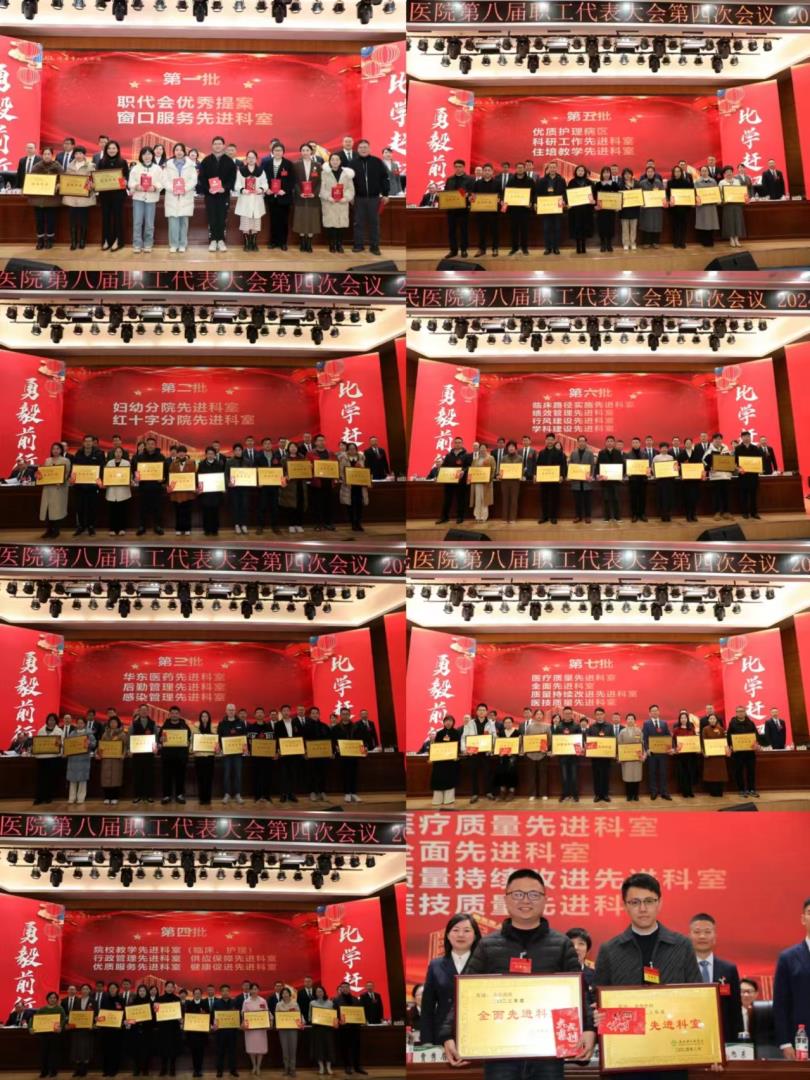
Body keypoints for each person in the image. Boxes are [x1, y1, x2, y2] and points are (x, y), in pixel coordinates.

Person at [441, 868, 595, 1073]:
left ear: (545, 899)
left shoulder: (562, 944)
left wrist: (589, 1029)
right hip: (499, 1050)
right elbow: (464, 994)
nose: (526, 900)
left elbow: (580, 991)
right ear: (506, 899)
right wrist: (448, 1034)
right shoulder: (487, 945)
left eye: (534, 894)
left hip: (548, 1052)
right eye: (518, 894)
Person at [594, 873, 701, 1080]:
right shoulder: (610, 949)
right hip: (625, 1055)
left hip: (671, 1052)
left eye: (649, 901)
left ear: (659, 903)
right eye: (635, 902)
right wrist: (598, 1013)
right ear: (624, 906)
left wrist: (707, 1044)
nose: (642, 908)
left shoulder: (681, 945)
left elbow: (697, 996)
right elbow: (597, 997)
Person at [420, 914, 481, 1047]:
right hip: (441, 1035)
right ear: (447, 935)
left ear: (475, 936)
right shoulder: (436, 965)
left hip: (476, 1032)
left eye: (467, 930)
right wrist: (427, 1040)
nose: (461, 935)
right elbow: (427, 1007)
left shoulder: (483, 964)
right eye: (455, 930)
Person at [688, 913, 743, 1042]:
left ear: (715, 937)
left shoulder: (728, 969)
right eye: (697, 932)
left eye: (707, 932)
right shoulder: (681, 968)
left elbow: (735, 1010)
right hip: (689, 1035)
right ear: (689, 936)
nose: (702, 936)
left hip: (722, 1036)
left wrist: (736, 1042)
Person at [773, 899, 810, 1058]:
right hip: (801, 1039)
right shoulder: (788, 957)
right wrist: (785, 1042)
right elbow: (780, 1003)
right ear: (803, 919)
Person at [197, 136, 237, 252]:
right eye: (215, 144)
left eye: (220, 144)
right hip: (210, 195)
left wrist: (225, 188)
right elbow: (202, 178)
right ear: (212, 146)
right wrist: (208, 188)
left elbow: (232, 178)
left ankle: (221, 240)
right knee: (212, 217)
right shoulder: (206, 160)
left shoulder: (229, 161)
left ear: (223, 146)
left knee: (222, 217)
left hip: (223, 195)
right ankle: (213, 240)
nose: (217, 146)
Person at [350, 140, 389, 257]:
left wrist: (385, 194)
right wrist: (350, 195)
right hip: (358, 198)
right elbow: (348, 182)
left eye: (365, 147)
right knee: (358, 223)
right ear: (357, 149)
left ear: (369, 148)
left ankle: (375, 246)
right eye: (361, 147)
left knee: (374, 223)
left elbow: (384, 178)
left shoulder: (377, 162)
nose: (363, 149)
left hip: (374, 198)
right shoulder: (352, 164)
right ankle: (358, 245)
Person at [128, 146, 164, 254]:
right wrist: (136, 186)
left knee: (149, 223)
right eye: (144, 154)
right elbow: (130, 182)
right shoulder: (136, 168)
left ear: (152, 155)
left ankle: (148, 243)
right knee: (137, 222)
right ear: (141, 156)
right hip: (138, 198)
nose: (147, 156)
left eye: (149, 154)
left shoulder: (157, 169)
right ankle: (137, 244)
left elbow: (161, 182)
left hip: (151, 199)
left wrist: (155, 187)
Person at [162, 142, 197, 253]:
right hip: (172, 196)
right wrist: (173, 189)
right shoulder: (168, 165)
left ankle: (182, 244)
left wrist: (184, 189)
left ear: (184, 152)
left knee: (183, 222)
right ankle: (173, 244)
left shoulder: (190, 165)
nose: (179, 152)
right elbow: (164, 180)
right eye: (176, 150)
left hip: (185, 196)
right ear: (174, 152)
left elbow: (193, 180)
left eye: (181, 150)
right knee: (173, 222)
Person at [95, 140, 129, 252]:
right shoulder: (101, 162)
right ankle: (106, 240)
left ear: (118, 149)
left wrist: (125, 181)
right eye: (109, 148)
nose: (111, 150)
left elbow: (126, 177)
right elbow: (97, 177)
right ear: (106, 150)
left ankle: (118, 241)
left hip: (118, 195)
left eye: (114, 148)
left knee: (118, 218)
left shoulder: (123, 162)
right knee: (106, 218)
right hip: (105, 195)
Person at [27, 148, 63, 250]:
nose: (47, 156)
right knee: (39, 220)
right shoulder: (36, 166)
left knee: (51, 220)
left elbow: (63, 179)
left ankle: (50, 240)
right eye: (45, 154)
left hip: (52, 199)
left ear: (52, 155)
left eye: (49, 154)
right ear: (42, 155)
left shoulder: (57, 166)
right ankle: (40, 240)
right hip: (38, 198)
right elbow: (31, 180)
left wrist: (59, 184)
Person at [261, 142, 294, 251]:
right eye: (276, 150)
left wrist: (285, 190)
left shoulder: (288, 164)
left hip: (284, 197)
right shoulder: (266, 164)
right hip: (271, 196)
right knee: (273, 220)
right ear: (272, 152)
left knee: (283, 221)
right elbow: (263, 178)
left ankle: (283, 242)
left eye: (280, 150)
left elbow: (292, 180)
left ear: (283, 152)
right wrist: (267, 189)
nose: (278, 152)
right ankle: (273, 242)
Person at [233, 150, 268, 252]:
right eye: (249, 157)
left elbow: (265, 184)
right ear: (246, 159)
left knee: (255, 222)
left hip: (257, 199)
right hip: (245, 199)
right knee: (245, 222)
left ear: (256, 159)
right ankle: (247, 243)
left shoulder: (261, 171)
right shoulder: (241, 171)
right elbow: (237, 185)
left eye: (253, 157)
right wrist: (243, 190)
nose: (251, 159)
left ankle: (254, 243)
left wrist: (260, 189)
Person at [62, 146, 96, 251]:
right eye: (76, 153)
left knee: (83, 221)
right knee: (72, 221)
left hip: (84, 198)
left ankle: (82, 241)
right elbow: (66, 180)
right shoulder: (69, 166)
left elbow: (93, 180)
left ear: (84, 154)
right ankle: (73, 241)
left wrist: (88, 186)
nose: (78, 155)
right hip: (72, 197)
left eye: (80, 153)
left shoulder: (91, 166)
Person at [320, 153, 354, 254]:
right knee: (331, 225)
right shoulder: (324, 173)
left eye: (337, 159)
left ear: (340, 161)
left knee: (341, 225)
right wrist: (328, 197)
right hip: (329, 203)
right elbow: (322, 188)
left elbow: (350, 189)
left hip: (342, 203)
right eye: (332, 159)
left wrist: (345, 198)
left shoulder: (347, 174)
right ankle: (332, 245)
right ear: (329, 161)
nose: (335, 161)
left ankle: (339, 244)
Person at [291, 143, 321, 254]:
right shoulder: (296, 165)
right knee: (301, 220)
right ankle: (302, 243)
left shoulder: (317, 165)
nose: (305, 152)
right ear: (301, 152)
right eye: (303, 150)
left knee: (312, 221)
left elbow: (320, 182)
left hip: (313, 198)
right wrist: (300, 192)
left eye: (307, 150)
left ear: (311, 151)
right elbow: (294, 181)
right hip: (300, 197)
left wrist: (315, 193)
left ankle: (309, 244)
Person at [37, 442, 71, 539]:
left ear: (61, 450)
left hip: (59, 489)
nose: (55, 450)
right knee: (48, 510)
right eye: (53, 449)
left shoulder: (65, 460)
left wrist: (61, 480)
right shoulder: (47, 460)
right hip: (48, 488)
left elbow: (67, 474)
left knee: (57, 510)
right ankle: (48, 530)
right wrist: (39, 475)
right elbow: (43, 473)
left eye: (57, 449)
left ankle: (56, 530)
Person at [434, 436, 472, 525]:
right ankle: (444, 517)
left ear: (462, 444)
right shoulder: (448, 455)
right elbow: (444, 467)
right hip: (449, 481)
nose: (457, 444)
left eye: (459, 442)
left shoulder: (466, 455)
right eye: (456, 442)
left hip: (461, 481)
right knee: (447, 499)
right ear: (453, 444)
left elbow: (469, 466)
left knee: (461, 499)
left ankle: (460, 517)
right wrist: (439, 472)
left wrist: (463, 471)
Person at [132, 436, 166, 536]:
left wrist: (163, 478)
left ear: (155, 446)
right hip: (144, 487)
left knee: (158, 508)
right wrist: (136, 477)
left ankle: (158, 526)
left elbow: (165, 471)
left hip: (157, 488)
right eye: (148, 444)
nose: (150, 446)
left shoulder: (161, 457)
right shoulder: (140, 457)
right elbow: (134, 470)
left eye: (152, 444)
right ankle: (142, 527)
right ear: (145, 446)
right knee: (142, 508)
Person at [727, 705, 761, 797]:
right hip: (737, 753)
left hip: (750, 752)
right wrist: (731, 746)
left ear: (745, 712)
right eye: (738, 711)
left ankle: (751, 789)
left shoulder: (751, 723)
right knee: (739, 771)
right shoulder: (732, 723)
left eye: (742, 711)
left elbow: (756, 735)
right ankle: (741, 789)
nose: (740, 713)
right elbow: (729, 736)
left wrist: (756, 743)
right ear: (736, 713)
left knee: (751, 771)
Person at [333, 983, 366, 1076]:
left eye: (346, 987)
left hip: (355, 1028)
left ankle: (357, 1066)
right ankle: (347, 1066)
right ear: (341, 989)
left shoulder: (355, 999)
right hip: (344, 1028)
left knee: (356, 1048)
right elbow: (334, 1014)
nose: (345, 989)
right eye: (343, 987)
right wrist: (338, 1021)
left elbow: (360, 1012)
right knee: (345, 1048)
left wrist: (361, 1019)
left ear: (349, 988)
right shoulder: (336, 1000)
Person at [159, 706, 191, 804]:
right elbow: (160, 738)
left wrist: (187, 741)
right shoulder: (165, 725)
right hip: (167, 756)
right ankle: (166, 796)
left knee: (180, 777)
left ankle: (179, 795)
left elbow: (188, 737)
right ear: (169, 714)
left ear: (179, 714)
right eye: (172, 713)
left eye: (176, 713)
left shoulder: (184, 725)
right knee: (166, 777)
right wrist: (161, 739)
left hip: (181, 756)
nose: (174, 715)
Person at [534, 160, 566, 255]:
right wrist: (536, 202)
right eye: (551, 167)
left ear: (556, 169)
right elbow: (537, 193)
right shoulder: (542, 180)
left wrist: (564, 200)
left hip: (557, 208)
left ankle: (556, 248)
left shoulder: (561, 180)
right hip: (546, 208)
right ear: (548, 169)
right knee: (546, 228)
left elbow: (565, 192)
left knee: (557, 228)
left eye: (554, 167)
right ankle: (547, 248)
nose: (552, 169)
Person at [429, 714, 461, 806]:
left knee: (450, 779)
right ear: (443, 722)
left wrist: (456, 755)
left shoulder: (456, 732)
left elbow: (458, 746)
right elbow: (435, 747)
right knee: (438, 778)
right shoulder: (439, 733)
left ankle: (448, 799)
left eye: (450, 721)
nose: (448, 722)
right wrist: (432, 743)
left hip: (451, 761)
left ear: (453, 722)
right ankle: (437, 800)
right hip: (440, 761)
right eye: (446, 721)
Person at [642, 705, 672, 801]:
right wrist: (647, 749)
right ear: (649, 713)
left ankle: (664, 792)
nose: (655, 712)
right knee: (652, 773)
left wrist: (669, 748)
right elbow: (644, 738)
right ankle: (654, 792)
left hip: (663, 753)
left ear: (659, 712)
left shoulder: (664, 723)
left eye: (656, 710)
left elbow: (668, 736)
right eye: (653, 711)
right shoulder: (646, 723)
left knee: (663, 773)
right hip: (652, 753)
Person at [218, 703, 246, 804]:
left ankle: (238, 794)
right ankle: (227, 794)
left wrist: (244, 748)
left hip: (238, 754)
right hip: (226, 754)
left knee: (238, 774)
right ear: (226, 711)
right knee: (227, 774)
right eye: (229, 710)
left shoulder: (240, 723)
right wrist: (221, 749)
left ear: (235, 711)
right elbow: (219, 738)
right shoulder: (222, 723)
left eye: (233, 710)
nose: (231, 711)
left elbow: (244, 737)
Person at [33, 713, 64, 805]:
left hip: (53, 758)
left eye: (53, 720)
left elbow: (63, 744)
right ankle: (39, 797)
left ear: (56, 721)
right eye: (50, 720)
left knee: (51, 778)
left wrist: (60, 744)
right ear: (47, 721)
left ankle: (48, 797)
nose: (51, 722)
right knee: (41, 778)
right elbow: (37, 743)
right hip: (42, 758)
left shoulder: (59, 731)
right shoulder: (41, 730)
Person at [307, 434, 336, 532]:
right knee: (317, 504)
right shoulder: (310, 453)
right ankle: (318, 524)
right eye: (319, 440)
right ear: (315, 442)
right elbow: (307, 467)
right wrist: (310, 467)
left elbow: (336, 465)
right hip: (317, 483)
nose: (321, 442)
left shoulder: (330, 453)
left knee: (329, 504)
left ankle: (329, 523)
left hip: (329, 482)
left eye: (323, 440)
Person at [535, 432, 566, 523]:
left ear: (554, 441)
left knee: (554, 498)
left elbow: (563, 465)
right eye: (548, 439)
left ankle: (553, 517)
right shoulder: (541, 453)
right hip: (544, 480)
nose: (550, 441)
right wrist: (535, 474)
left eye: (551, 440)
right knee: (544, 498)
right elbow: (538, 465)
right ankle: (544, 517)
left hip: (555, 480)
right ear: (545, 441)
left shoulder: (559, 453)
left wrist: (562, 475)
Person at [64, 714, 96, 804]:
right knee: (72, 779)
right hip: (73, 759)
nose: (80, 725)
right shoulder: (72, 733)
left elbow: (94, 743)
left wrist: (89, 743)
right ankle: (72, 797)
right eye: (78, 723)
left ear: (84, 724)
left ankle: (81, 797)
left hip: (83, 759)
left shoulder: (88, 733)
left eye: (81, 723)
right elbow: (67, 744)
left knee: (82, 780)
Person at [471, 162, 500, 257]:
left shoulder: (497, 183)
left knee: (494, 231)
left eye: (489, 170)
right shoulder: (477, 183)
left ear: (492, 172)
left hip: (493, 212)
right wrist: (472, 199)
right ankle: (481, 249)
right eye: (485, 170)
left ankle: (495, 249)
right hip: (481, 212)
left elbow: (501, 195)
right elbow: (473, 195)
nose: (487, 172)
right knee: (481, 231)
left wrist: (499, 199)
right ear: (482, 172)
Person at [129, 705, 157, 805]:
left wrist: (155, 748)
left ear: (148, 712)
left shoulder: (153, 723)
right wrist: (130, 749)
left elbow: (156, 737)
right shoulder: (133, 723)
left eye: (145, 710)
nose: (144, 712)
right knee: (137, 775)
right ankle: (138, 796)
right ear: (139, 711)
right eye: (142, 710)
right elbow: (130, 737)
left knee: (149, 775)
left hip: (149, 754)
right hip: (137, 754)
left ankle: (149, 796)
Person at [33, 991, 65, 1078]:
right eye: (51, 998)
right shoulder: (42, 1009)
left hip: (55, 1034)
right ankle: (44, 1071)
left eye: (54, 998)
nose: (52, 999)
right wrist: (32, 1027)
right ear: (47, 999)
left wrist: (61, 1027)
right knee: (44, 1053)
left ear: (57, 999)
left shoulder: (60, 1009)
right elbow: (35, 1019)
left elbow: (63, 1019)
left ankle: (53, 1071)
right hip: (44, 1034)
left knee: (54, 1053)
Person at [505, 161, 534, 255]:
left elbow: (534, 194)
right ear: (516, 169)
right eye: (518, 168)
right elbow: (506, 193)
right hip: (513, 210)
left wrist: (531, 202)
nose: (520, 169)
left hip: (525, 210)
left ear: (524, 169)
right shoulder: (511, 180)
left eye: (521, 168)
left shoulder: (530, 180)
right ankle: (514, 248)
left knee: (524, 230)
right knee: (514, 229)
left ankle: (524, 248)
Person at [523, 708, 551, 801]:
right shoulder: (529, 727)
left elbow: (549, 740)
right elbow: (526, 739)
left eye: (540, 714)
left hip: (542, 754)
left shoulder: (547, 726)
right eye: (537, 714)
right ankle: (532, 794)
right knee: (531, 775)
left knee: (543, 775)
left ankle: (544, 794)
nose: (539, 716)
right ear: (534, 716)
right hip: (530, 755)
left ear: (543, 716)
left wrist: (546, 748)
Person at [703, 432, 734, 520]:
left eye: (720, 439)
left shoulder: (726, 449)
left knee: (726, 495)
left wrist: (731, 468)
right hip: (716, 477)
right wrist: (710, 468)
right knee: (716, 495)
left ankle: (726, 512)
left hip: (726, 476)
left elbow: (730, 461)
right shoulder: (709, 451)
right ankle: (717, 512)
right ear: (713, 440)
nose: (718, 440)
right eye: (716, 439)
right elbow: (704, 461)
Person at [97, 715, 127, 804]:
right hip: (106, 759)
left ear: (118, 724)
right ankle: (107, 797)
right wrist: (99, 754)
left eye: (115, 722)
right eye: (111, 722)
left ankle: (115, 797)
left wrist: (123, 755)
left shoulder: (122, 734)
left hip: (117, 759)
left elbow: (125, 746)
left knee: (115, 778)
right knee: (106, 779)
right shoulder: (105, 734)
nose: (113, 724)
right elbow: (101, 746)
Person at [67, 984, 95, 1077]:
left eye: (87, 989)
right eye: (83, 989)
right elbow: (73, 1014)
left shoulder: (93, 1001)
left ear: (89, 991)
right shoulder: (76, 1001)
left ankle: (84, 1070)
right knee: (77, 1050)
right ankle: (77, 1070)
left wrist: (93, 1024)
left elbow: (96, 1014)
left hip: (87, 1030)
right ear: (81, 991)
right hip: (77, 1029)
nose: (85, 990)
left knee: (85, 1050)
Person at [734, 429, 764, 519]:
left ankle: (754, 513)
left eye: (748, 436)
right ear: (741, 438)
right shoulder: (738, 448)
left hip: (753, 475)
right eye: (745, 437)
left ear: (750, 437)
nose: (747, 438)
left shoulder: (755, 448)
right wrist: (738, 468)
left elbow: (760, 460)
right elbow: (735, 462)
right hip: (743, 475)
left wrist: (760, 468)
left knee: (753, 495)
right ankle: (745, 512)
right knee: (744, 495)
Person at [197, 446, 226, 536]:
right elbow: (198, 477)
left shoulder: (219, 464)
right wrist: (199, 488)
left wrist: (223, 487)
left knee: (215, 511)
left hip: (216, 493)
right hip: (205, 493)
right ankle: (207, 529)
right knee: (206, 511)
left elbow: (222, 477)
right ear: (206, 455)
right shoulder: (201, 464)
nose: (210, 455)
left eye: (212, 454)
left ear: (215, 455)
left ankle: (214, 529)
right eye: (208, 453)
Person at [98, 982, 125, 1077]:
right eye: (111, 988)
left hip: (117, 1030)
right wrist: (99, 1019)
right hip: (106, 1030)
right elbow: (101, 1012)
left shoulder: (121, 1000)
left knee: (115, 1050)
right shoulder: (104, 999)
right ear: (108, 989)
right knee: (106, 1050)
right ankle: (106, 1070)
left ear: (117, 989)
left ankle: (114, 1070)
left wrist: (121, 1022)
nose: (112, 989)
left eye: (114, 988)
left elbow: (124, 1013)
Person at [280, 442, 308, 534]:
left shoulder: (302, 458)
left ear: (297, 448)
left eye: (295, 447)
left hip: (301, 485)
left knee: (300, 505)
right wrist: (286, 476)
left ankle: (299, 524)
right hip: (290, 486)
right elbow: (281, 472)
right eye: (291, 447)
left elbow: (307, 470)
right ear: (288, 448)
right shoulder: (284, 459)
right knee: (291, 506)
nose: (293, 448)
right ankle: (291, 525)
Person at [155, 982, 182, 1077]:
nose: (170, 988)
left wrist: (180, 1019)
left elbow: (180, 1012)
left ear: (174, 989)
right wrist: (155, 1009)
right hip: (163, 1028)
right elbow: (156, 1013)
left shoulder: (177, 999)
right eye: (168, 987)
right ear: (165, 988)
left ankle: (172, 1068)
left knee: (173, 1049)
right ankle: (163, 1068)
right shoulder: (159, 999)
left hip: (174, 1028)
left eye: (172, 987)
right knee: (163, 1048)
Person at [566, 165, 594, 255]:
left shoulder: (589, 182)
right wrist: (568, 203)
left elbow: (593, 194)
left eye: (582, 170)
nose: (580, 172)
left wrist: (593, 200)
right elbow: (568, 195)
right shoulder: (572, 182)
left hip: (586, 210)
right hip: (575, 210)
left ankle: (584, 246)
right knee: (576, 227)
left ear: (585, 172)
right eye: (579, 170)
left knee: (585, 227)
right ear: (576, 172)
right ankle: (578, 246)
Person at [213, 985, 239, 1079]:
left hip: (232, 1032)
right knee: (220, 1052)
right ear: (221, 992)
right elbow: (213, 1016)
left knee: (232, 1052)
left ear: (229, 992)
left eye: (227, 990)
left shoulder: (234, 1002)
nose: (225, 992)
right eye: (223, 991)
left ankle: (233, 1070)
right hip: (220, 1033)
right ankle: (219, 1071)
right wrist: (214, 1024)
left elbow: (238, 1016)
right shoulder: (216, 1003)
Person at [492, 714, 520, 801]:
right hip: (502, 757)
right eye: (506, 722)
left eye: (509, 722)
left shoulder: (517, 732)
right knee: (501, 773)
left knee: (511, 773)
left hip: (513, 757)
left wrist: (514, 752)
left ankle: (511, 792)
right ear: (503, 724)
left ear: (512, 723)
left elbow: (519, 745)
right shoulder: (501, 733)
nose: (508, 724)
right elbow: (498, 745)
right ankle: (502, 792)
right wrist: (498, 752)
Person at [242, 985, 269, 1076]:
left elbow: (267, 1013)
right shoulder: (246, 1001)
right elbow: (243, 1013)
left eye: (256, 989)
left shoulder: (263, 1001)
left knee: (260, 1048)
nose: (254, 991)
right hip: (250, 1029)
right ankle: (254, 1066)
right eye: (252, 989)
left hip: (260, 1029)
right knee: (251, 1048)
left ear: (258, 990)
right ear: (250, 990)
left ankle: (258, 1067)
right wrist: (245, 1020)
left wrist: (268, 1021)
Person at [309, 986, 336, 1076]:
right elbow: (309, 1016)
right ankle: (321, 1067)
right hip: (317, 1029)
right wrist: (313, 1019)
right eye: (317, 992)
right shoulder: (312, 1003)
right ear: (315, 993)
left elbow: (333, 1016)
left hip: (328, 1029)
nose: (319, 993)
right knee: (319, 1048)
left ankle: (328, 1067)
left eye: (321, 991)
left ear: (324, 992)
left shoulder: (330, 1003)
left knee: (329, 1047)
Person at [616, 713, 643, 801]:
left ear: (634, 720)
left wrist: (643, 755)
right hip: (626, 758)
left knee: (636, 777)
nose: (630, 720)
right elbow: (619, 744)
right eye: (628, 719)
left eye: (632, 719)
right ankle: (629, 795)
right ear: (626, 721)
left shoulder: (639, 731)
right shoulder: (622, 732)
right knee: (628, 777)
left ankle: (636, 795)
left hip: (637, 757)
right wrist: (619, 756)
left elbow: (642, 744)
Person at [701, 712, 729, 797]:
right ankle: (713, 792)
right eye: (711, 719)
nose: (712, 720)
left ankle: (720, 791)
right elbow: (703, 742)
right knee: (711, 774)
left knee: (720, 773)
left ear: (716, 720)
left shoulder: (721, 729)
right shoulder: (705, 729)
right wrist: (704, 752)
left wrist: (726, 751)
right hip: (710, 756)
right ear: (708, 720)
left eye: (714, 719)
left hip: (719, 756)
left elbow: (724, 741)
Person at [672, 710, 698, 798]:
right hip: (681, 755)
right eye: (682, 718)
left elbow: (695, 740)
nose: (683, 719)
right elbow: (673, 742)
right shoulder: (676, 730)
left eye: (685, 718)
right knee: (683, 774)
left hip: (691, 755)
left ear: (687, 719)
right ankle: (684, 791)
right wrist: (675, 749)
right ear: (679, 720)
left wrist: (697, 748)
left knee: (690, 773)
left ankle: (690, 791)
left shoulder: (691, 729)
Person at [597, 435, 623, 522]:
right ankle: (607, 517)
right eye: (608, 441)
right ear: (605, 443)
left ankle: (617, 517)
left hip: (616, 480)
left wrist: (621, 474)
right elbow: (598, 465)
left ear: (614, 443)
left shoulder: (618, 452)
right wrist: (598, 474)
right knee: (606, 498)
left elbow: (622, 465)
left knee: (616, 498)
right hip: (605, 480)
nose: (610, 443)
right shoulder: (601, 452)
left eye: (611, 441)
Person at [495, 440, 522, 524]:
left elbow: (521, 469)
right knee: (505, 499)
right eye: (510, 447)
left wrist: (521, 475)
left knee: (514, 500)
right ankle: (504, 518)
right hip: (505, 482)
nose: (511, 448)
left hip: (515, 482)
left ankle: (512, 518)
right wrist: (499, 475)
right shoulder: (504, 458)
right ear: (507, 448)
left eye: (513, 447)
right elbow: (501, 469)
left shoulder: (520, 458)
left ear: (515, 448)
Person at [719, 165, 747, 246]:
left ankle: (737, 239)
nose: (729, 173)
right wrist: (723, 200)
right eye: (727, 172)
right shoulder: (721, 182)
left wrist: (745, 197)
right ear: (724, 174)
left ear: (732, 173)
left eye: (730, 172)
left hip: (737, 204)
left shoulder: (737, 181)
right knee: (729, 222)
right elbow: (720, 193)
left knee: (738, 221)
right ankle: (731, 239)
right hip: (727, 205)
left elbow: (741, 192)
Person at [275, 988, 300, 1077]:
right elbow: (276, 1017)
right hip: (283, 1030)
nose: (285, 995)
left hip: (293, 1029)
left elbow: (298, 1016)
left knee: (293, 1049)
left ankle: (293, 1069)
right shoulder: (278, 1005)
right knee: (285, 1049)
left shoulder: (295, 1004)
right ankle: (286, 1068)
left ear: (290, 994)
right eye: (283, 993)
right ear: (281, 995)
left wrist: (299, 1023)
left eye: (286, 993)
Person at [639, 164, 665, 248]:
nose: (650, 173)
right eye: (648, 172)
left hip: (657, 208)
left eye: (651, 171)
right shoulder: (642, 183)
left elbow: (663, 194)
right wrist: (641, 202)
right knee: (646, 225)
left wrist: (664, 201)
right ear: (646, 173)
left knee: (656, 225)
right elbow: (639, 195)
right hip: (646, 208)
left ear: (654, 173)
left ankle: (655, 242)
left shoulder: (659, 182)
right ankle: (646, 242)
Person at [594, 165, 618, 252]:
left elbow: (618, 196)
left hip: (611, 210)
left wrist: (617, 206)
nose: (606, 174)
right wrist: (595, 205)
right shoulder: (598, 184)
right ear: (602, 174)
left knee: (610, 226)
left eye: (608, 172)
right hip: (601, 210)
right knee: (602, 226)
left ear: (610, 174)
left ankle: (609, 244)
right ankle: (603, 244)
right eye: (604, 173)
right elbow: (594, 196)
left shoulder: (614, 184)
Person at [666, 164, 691, 249]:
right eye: (675, 172)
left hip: (684, 208)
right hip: (674, 208)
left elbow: (690, 194)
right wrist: (669, 201)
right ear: (673, 173)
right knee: (675, 225)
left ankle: (682, 242)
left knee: (683, 225)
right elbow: (668, 194)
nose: (677, 173)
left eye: (678, 171)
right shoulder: (670, 183)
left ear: (681, 172)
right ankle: (676, 242)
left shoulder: (686, 182)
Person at [693, 165, 719, 246]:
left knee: (711, 223)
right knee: (703, 223)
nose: (704, 172)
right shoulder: (697, 182)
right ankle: (704, 241)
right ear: (700, 172)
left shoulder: (713, 181)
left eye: (706, 171)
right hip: (702, 206)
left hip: (711, 206)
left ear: (708, 172)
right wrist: (697, 200)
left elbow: (716, 192)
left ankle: (711, 240)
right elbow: (695, 193)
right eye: (702, 171)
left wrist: (717, 199)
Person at [652, 441, 677, 522]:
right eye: (663, 448)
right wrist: (656, 474)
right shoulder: (656, 457)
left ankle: (668, 514)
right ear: (660, 449)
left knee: (669, 497)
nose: (664, 449)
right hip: (660, 481)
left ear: (668, 449)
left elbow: (674, 468)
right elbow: (653, 468)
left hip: (669, 481)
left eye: (666, 448)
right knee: (662, 498)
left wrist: (675, 471)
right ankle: (663, 515)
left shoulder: (671, 457)